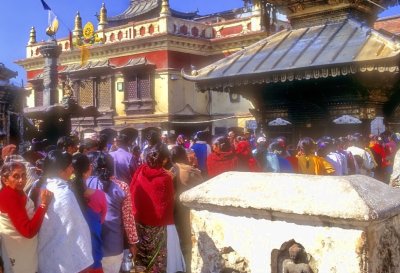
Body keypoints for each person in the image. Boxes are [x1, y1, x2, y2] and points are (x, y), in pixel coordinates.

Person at [131, 146, 185, 273]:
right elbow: (169, 200)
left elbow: (133, 192)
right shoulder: (166, 178)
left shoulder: (140, 171)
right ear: (165, 160)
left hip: (141, 220)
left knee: (143, 255)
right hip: (160, 223)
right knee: (159, 258)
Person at [37, 150, 93, 273]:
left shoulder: (42, 187)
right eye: (70, 166)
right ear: (60, 171)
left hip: (44, 258)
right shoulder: (64, 194)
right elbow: (76, 229)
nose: (72, 169)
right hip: (63, 261)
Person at [86, 152, 138, 273]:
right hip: (114, 246)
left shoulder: (86, 184)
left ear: (93, 166)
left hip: (90, 246)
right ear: (112, 166)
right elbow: (128, 219)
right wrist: (133, 243)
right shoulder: (122, 186)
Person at [0, 162, 53, 273]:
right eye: (16, 176)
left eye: (23, 175)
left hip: (22, 249)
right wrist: (44, 205)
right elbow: (28, 231)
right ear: (5, 180)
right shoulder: (9, 195)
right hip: (17, 251)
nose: (21, 180)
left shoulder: (16, 191)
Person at [72, 153, 108, 273]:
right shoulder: (99, 195)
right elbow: (101, 220)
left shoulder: (66, 195)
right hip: (93, 254)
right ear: (87, 170)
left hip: (72, 256)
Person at [170, 145, 202, 269]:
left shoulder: (171, 170)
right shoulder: (192, 171)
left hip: (175, 210)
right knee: (189, 239)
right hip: (189, 211)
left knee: (179, 240)